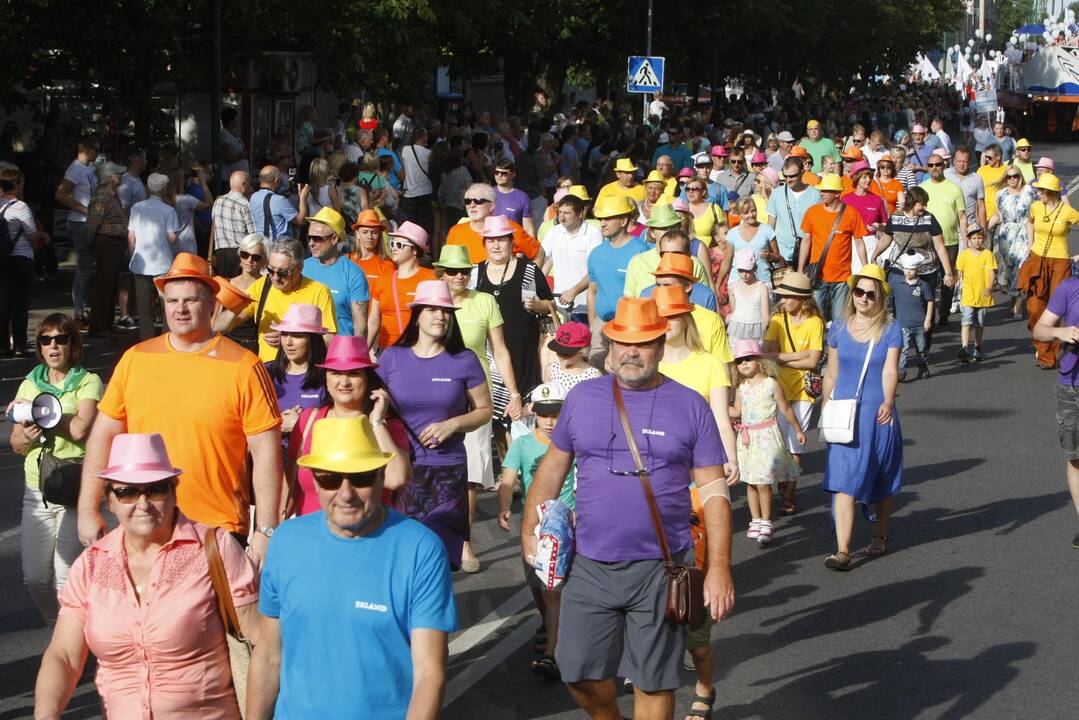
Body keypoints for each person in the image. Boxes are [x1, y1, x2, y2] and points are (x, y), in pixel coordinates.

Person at [520, 296, 734, 720]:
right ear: (610, 346)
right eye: (622, 342)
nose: (631, 351)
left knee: (654, 679)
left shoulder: (691, 405)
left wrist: (720, 569)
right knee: (575, 669)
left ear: (660, 343)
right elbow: (552, 468)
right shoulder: (582, 398)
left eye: (643, 343)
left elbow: (713, 491)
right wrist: (530, 528)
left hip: (662, 567)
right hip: (590, 564)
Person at [78, 254, 283, 565]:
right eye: (172, 300)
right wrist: (87, 507)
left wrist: (266, 530)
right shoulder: (136, 359)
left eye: (190, 300)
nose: (180, 309)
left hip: (217, 531)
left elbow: (266, 451)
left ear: (212, 303)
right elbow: (103, 434)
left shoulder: (245, 366)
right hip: (144, 527)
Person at [37, 433, 260, 718]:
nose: (143, 503)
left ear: (173, 491)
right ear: (110, 500)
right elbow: (64, 656)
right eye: (127, 492)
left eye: (156, 490)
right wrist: (46, 714)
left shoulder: (215, 548)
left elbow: (260, 642)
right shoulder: (90, 565)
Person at [247, 416, 456, 719]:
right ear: (314, 480)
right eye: (330, 478)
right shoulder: (286, 541)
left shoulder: (420, 549)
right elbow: (268, 656)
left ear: (381, 476)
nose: (345, 494)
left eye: (360, 478)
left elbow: (428, 674)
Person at [377, 280, 492, 569]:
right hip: (400, 470)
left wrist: (453, 424)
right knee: (401, 559)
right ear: (417, 314)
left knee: (439, 560)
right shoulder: (391, 358)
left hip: (446, 472)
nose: (440, 316)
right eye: (432, 309)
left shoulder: (463, 360)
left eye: (445, 311)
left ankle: (441, 614)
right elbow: (376, 409)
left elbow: (484, 410)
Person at [435, 244, 524, 572]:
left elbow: (499, 351)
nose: (458, 276)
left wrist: (513, 393)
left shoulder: (485, 301)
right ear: (441, 272)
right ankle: (435, 541)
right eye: (452, 270)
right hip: (436, 397)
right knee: (436, 474)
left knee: (470, 477)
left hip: (476, 398)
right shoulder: (431, 302)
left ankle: (465, 542)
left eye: (463, 270)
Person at [7, 315, 101, 623]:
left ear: (73, 344)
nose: (54, 346)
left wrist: (46, 415)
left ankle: (70, 642)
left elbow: (79, 429)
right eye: (46, 340)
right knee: (34, 577)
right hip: (37, 491)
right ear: (40, 348)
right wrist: (25, 434)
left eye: (61, 339)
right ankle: (57, 627)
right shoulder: (29, 383)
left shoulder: (89, 382)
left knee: (64, 576)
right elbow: (16, 446)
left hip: (74, 489)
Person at [820, 264, 903, 571]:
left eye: (871, 293)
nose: (864, 299)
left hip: (876, 411)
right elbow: (832, 372)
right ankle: (842, 551)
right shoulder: (838, 328)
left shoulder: (890, 329)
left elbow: (890, 369)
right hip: (844, 413)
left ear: (880, 296)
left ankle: (880, 534)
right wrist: (825, 403)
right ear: (851, 293)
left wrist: (889, 401)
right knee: (843, 480)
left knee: (881, 474)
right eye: (859, 292)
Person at [496, 382, 576, 680]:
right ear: (534, 415)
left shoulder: (573, 444)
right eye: (544, 415)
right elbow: (508, 477)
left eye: (556, 414)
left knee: (553, 589)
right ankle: (550, 626)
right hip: (534, 526)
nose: (551, 421)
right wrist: (504, 506)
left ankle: (553, 650)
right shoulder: (523, 444)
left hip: (566, 525)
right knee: (536, 584)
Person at [285, 336, 411, 517]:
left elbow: (396, 479)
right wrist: (271, 530)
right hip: (312, 539)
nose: (344, 382)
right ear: (326, 380)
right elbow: (290, 485)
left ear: (367, 379)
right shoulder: (308, 420)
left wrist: (376, 423)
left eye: (353, 373)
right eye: (335, 373)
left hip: (368, 539)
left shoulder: (388, 426)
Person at [653, 285, 740, 476]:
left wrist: (730, 458)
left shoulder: (711, 364)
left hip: (699, 462)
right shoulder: (648, 366)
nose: (665, 322)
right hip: (654, 464)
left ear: (686, 319)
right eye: (660, 317)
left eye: (672, 316)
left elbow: (721, 420)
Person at [729, 338, 803, 546]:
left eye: (749, 359)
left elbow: (786, 409)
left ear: (760, 360)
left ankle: (766, 521)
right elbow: (737, 411)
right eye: (740, 361)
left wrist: (797, 430)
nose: (744, 364)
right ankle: (755, 520)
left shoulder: (771, 384)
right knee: (751, 482)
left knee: (763, 482)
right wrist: (715, 405)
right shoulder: (742, 387)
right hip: (747, 440)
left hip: (766, 437)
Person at [215, 238, 337, 362]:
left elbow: (329, 341)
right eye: (270, 270)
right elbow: (227, 323)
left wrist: (289, 339)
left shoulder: (318, 292)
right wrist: (232, 309)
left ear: (300, 268)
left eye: (283, 273)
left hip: (301, 373)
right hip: (268, 371)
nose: (275, 277)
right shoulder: (262, 286)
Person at [762, 272, 824, 515]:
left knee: (794, 445)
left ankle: (790, 495)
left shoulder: (815, 322)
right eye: (782, 295)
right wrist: (797, 356)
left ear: (803, 299)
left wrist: (782, 358)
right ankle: (784, 481)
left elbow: (814, 361)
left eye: (789, 296)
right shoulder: (777, 319)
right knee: (778, 442)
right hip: (778, 389)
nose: (784, 300)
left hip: (804, 391)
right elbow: (766, 354)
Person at [475, 215, 555, 403]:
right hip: (488, 355)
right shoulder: (475, 274)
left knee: (522, 411)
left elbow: (550, 306)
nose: (496, 246)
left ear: (511, 242)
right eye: (491, 241)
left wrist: (537, 306)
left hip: (524, 354)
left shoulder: (528, 271)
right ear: (484, 244)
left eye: (501, 240)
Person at [1031, 278, 1079, 547]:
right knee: (1076, 458)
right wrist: (1061, 333)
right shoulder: (1069, 287)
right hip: (1072, 385)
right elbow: (1040, 330)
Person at [1018, 173, 1079, 369]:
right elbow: (1029, 222)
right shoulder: (1036, 207)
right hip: (1037, 259)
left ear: (1050, 192)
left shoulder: (1068, 212)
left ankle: (1047, 357)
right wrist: (1030, 244)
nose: (1037, 193)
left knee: (1056, 307)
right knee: (1035, 307)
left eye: (1041, 190)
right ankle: (1041, 342)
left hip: (1060, 262)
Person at [587, 196, 651, 367]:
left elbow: (646, 293)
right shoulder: (596, 253)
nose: (603, 223)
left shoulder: (640, 250)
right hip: (601, 326)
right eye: (601, 219)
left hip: (630, 327)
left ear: (623, 221)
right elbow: (592, 290)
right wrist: (593, 323)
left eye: (608, 218)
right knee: (596, 372)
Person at [798, 173, 868, 321]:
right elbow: (806, 241)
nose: (821, 193)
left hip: (842, 278)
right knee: (816, 319)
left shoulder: (851, 213)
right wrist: (800, 269)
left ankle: (835, 345)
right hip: (817, 276)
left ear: (837, 193)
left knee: (840, 321)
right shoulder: (812, 212)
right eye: (821, 190)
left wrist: (865, 269)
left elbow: (859, 242)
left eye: (825, 191)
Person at [1, 167, 49, 355]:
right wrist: (43, 235)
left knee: (3, 303)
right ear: (18, 184)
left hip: (2, 259)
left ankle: (3, 346)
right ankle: (20, 344)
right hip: (21, 257)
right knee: (20, 303)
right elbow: (31, 236)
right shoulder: (20, 207)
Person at [265, 304, 329, 442]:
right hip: (272, 456)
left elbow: (338, 426)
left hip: (309, 457)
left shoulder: (329, 376)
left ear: (313, 340)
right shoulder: (266, 371)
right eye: (285, 334)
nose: (288, 342)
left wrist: (301, 424)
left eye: (297, 336)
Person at [127, 173, 180, 340]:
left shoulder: (136, 208)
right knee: (167, 303)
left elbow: (131, 237)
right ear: (164, 189)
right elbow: (171, 239)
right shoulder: (169, 210)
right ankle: (167, 335)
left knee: (143, 306)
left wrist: (133, 255)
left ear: (148, 187)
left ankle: (146, 337)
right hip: (162, 263)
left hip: (140, 263)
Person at [302, 207, 369, 339]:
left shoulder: (354, 274)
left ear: (334, 239)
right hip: (306, 351)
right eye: (309, 237)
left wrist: (357, 356)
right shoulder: (302, 267)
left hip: (340, 351)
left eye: (317, 238)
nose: (311, 243)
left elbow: (360, 326)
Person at [369, 221, 437, 350]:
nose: (394, 248)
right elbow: (373, 321)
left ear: (415, 250)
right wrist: (364, 351)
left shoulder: (431, 278)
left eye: (399, 245)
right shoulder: (383, 279)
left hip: (419, 351)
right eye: (392, 243)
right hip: (387, 352)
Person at [54, 137, 98, 323]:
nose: (98, 152)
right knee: (83, 267)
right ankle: (80, 311)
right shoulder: (75, 169)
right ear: (86, 150)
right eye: (95, 149)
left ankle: (86, 309)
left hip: (89, 222)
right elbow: (60, 193)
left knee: (88, 267)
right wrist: (82, 208)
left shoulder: (89, 169)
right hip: (80, 223)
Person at [543, 194, 603, 323]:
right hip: (559, 306)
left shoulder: (593, 233)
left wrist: (574, 291)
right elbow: (544, 260)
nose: (562, 217)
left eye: (567, 213)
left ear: (580, 213)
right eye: (560, 212)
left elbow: (595, 270)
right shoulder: (554, 232)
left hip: (586, 306)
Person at [987, 165, 1035, 317]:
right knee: (1010, 271)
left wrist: (1033, 241)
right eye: (1009, 177)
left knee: (1022, 269)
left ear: (1020, 177)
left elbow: (1034, 216)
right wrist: (984, 228)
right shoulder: (1000, 194)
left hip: (1024, 232)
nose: (1012, 179)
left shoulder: (1029, 192)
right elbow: (997, 215)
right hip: (1006, 236)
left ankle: (1019, 306)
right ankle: (1015, 301)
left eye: (1015, 176)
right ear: (1005, 179)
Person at [955, 226, 997, 364]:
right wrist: (953, 282)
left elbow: (992, 272)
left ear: (984, 238)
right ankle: (965, 348)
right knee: (966, 322)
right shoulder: (964, 255)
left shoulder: (988, 254)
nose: (977, 241)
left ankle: (977, 348)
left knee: (979, 324)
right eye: (973, 238)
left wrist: (990, 286)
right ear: (968, 239)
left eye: (979, 238)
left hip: (983, 295)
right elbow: (959, 272)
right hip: (968, 294)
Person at [768, 158, 821, 265]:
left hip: (807, 253)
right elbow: (770, 224)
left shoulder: (815, 194)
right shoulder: (776, 194)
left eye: (792, 176)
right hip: (781, 253)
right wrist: (771, 251)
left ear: (802, 172)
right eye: (785, 176)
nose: (788, 180)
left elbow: (819, 226)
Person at [891, 252, 934, 381]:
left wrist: (928, 320)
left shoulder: (923, 285)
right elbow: (884, 290)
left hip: (919, 324)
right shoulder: (896, 283)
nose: (909, 272)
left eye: (912, 269)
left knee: (921, 348)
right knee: (903, 349)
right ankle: (901, 371)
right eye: (906, 269)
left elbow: (930, 301)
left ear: (917, 269)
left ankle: (923, 368)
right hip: (902, 324)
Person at [640, 248, 718, 311]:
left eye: (667, 285)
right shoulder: (645, 296)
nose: (661, 290)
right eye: (658, 285)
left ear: (687, 286)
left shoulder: (706, 296)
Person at [210, 170, 255, 278]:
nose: (250, 187)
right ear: (244, 185)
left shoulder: (217, 201)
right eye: (249, 184)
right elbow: (252, 232)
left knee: (224, 286)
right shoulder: (244, 203)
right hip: (239, 252)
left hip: (220, 251)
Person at [249, 165, 309, 240]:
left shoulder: (253, 197)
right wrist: (302, 198)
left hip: (261, 244)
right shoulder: (280, 200)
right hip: (280, 246)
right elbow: (301, 220)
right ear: (276, 180)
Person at [727, 247, 771, 341]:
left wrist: (768, 336)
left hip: (757, 332)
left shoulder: (762, 287)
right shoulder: (732, 287)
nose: (744, 274)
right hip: (737, 330)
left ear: (755, 268)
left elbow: (765, 315)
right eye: (741, 270)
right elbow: (734, 310)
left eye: (748, 270)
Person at [347, 208, 395, 285]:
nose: (370, 236)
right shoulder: (346, 260)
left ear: (379, 235)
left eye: (374, 232)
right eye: (365, 232)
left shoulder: (387, 265)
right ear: (358, 234)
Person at [944, 147, 987, 231]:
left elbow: (981, 206)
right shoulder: (945, 175)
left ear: (969, 162)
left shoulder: (977, 178)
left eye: (965, 161)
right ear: (954, 160)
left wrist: (984, 229)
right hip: (949, 226)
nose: (961, 164)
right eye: (959, 161)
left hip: (970, 226)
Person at [493, 158, 537, 236]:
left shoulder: (522, 197)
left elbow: (528, 229)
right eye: (496, 172)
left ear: (513, 175)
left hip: (514, 245)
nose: (499, 175)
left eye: (504, 173)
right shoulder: (487, 194)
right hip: (491, 243)